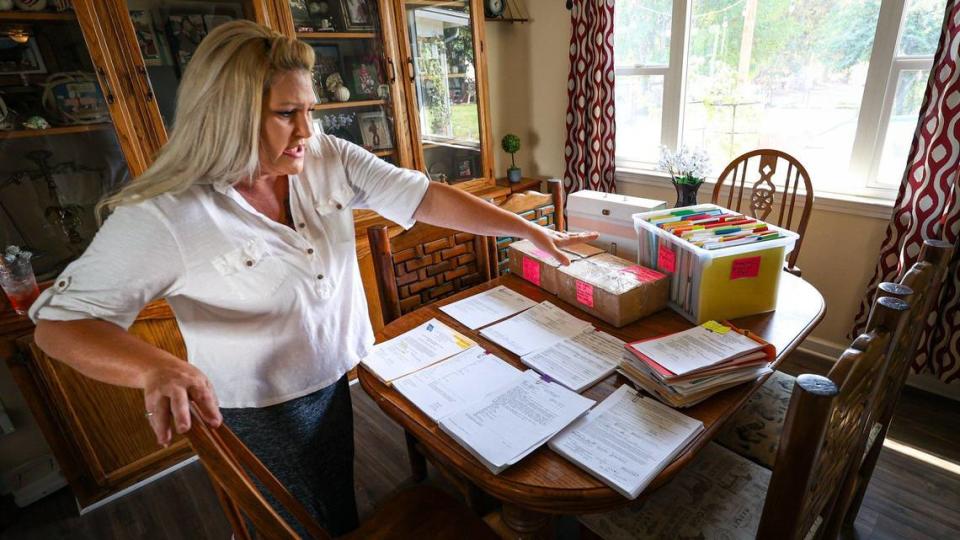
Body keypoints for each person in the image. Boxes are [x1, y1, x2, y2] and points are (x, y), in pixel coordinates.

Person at [29, 21, 596, 536]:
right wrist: (156, 365)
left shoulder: (327, 156)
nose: (307, 130)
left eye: (310, 110)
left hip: (331, 375)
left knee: (333, 503)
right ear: (227, 114)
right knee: (300, 522)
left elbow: (424, 196)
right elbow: (59, 325)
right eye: (285, 114)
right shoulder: (164, 215)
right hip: (261, 406)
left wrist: (527, 230)